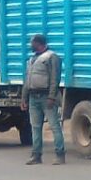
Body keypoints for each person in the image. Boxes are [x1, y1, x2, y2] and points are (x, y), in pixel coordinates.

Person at [20, 33, 64, 165]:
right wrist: (24, 98)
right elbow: (27, 80)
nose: (30, 45)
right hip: (33, 97)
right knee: (35, 127)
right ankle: (36, 155)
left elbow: (54, 79)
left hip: (46, 97)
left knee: (54, 126)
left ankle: (60, 154)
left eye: (32, 43)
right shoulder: (32, 59)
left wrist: (51, 96)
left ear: (39, 43)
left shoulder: (51, 57)